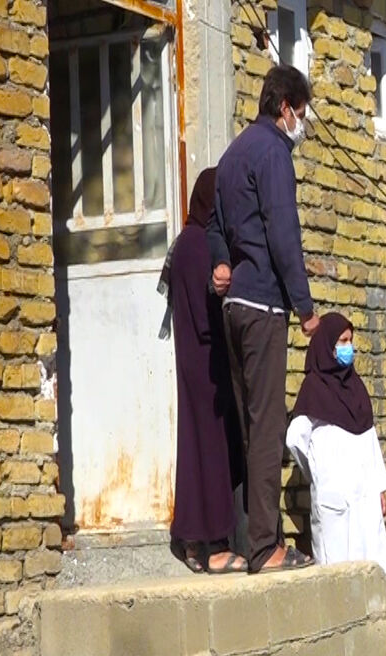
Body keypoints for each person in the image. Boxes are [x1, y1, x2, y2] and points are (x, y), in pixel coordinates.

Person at [207, 64, 317, 574]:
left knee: (251, 426)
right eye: (301, 110)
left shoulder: (231, 155)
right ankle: (266, 548)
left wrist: (220, 261)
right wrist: (306, 307)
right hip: (265, 306)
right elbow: (282, 232)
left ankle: (254, 537)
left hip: (233, 307)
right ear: (284, 106)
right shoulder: (273, 152)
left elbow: (212, 223)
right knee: (269, 426)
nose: (303, 122)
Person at [167, 167, 246, 575]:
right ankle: (216, 545)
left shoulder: (184, 243)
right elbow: (206, 315)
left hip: (193, 362)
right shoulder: (200, 245)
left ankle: (193, 542)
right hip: (207, 363)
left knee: (197, 451)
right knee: (212, 451)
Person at [286, 312, 386, 574]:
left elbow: (369, 437)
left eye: (350, 340)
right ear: (327, 345)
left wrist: (380, 486)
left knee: (369, 565)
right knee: (337, 570)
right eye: (342, 341)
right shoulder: (314, 387)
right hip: (334, 495)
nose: (348, 347)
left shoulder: (356, 386)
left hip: (364, 494)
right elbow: (295, 438)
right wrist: (318, 472)